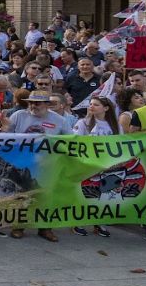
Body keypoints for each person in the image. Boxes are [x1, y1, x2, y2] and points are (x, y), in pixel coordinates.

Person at [7, 91, 68, 242]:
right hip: (22, 165)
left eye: (37, 103)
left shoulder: (59, 120)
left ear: (47, 105)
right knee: (22, 197)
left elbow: (69, 140)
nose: (33, 106)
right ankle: (18, 226)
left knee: (46, 198)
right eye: (31, 102)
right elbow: (5, 137)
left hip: (47, 165)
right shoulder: (19, 115)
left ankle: (45, 229)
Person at [71, 96, 120, 238]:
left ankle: (98, 223)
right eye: (91, 104)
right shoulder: (83, 123)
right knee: (85, 193)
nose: (92, 106)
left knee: (103, 194)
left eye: (96, 105)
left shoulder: (115, 126)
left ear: (106, 108)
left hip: (107, 166)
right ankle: (77, 222)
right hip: (86, 165)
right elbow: (75, 142)